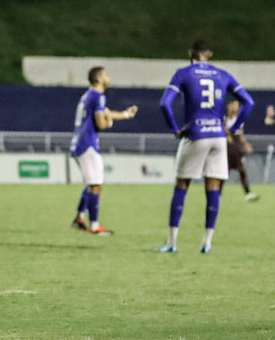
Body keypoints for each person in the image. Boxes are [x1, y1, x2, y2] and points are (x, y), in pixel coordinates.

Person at [158, 40, 253, 254]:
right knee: (213, 187)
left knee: (182, 184)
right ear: (209, 54)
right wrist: (234, 128)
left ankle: (172, 242)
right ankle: (207, 243)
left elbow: (164, 103)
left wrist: (174, 129)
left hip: (196, 134)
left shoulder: (183, 73)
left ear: (191, 54)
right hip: (218, 137)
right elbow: (249, 102)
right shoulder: (223, 74)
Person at [69, 67, 138, 235]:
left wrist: (126, 114)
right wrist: (108, 124)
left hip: (79, 143)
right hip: (88, 144)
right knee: (96, 184)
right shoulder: (98, 96)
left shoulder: (89, 95)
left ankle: (80, 218)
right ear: (99, 79)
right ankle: (94, 226)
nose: (109, 77)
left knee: (92, 182)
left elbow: (106, 112)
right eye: (106, 75)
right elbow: (101, 122)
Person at [225, 100, 259, 201]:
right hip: (229, 148)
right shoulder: (226, 119)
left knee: (242, 170)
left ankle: (247, 192)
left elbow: (240, 135)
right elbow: (224, 130)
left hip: (238, 148)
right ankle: (217, 193)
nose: (236, 107)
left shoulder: (239, 119)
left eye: (237, 105)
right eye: (234, 105)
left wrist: (246, 144)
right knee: (224, 171)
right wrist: (227, 136)